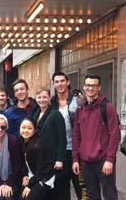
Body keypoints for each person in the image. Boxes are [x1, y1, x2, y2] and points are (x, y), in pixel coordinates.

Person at [72, 74, 120, 200]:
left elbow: (115, 135)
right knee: (92, 196)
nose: (90, 88)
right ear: (83, 87)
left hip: (103, 160)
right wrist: (75, 159)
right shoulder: (80, 108)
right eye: (88, 85)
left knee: (110, 195)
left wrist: (110, 160)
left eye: (94, 85)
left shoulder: (107, 107)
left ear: (99, 87)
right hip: (86, 161)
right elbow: (76, 135)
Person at [50, 71, 84, 200]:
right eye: (57, 82)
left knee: (82, 190)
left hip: (77, 152)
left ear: (68, 82)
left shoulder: (79, 102)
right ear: (53, 84)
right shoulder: (51, 103)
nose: (60, 84)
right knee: (61, 192)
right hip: (60, 153)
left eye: (62, 81)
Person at [32, 87, 67, 200]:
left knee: (55, 191)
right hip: (40, 159)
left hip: (52, 160)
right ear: (36, 98)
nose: (42, 100)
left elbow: (62, 139)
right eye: (39, 97)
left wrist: (60, 159)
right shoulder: (35, 113)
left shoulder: (55, 114)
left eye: (44, 97)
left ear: (50, 98)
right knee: (43, 191)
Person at [19, 117, 55, 200]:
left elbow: (41, 169)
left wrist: (30, 186)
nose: (25, 131)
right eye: (23, 127)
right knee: (21, 197)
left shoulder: (38, 145)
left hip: (43, 176)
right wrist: (24, 175)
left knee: (28, 198)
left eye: (29, 128)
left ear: (34, 131)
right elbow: (23, 161)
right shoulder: (20, 140)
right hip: (32, 174)